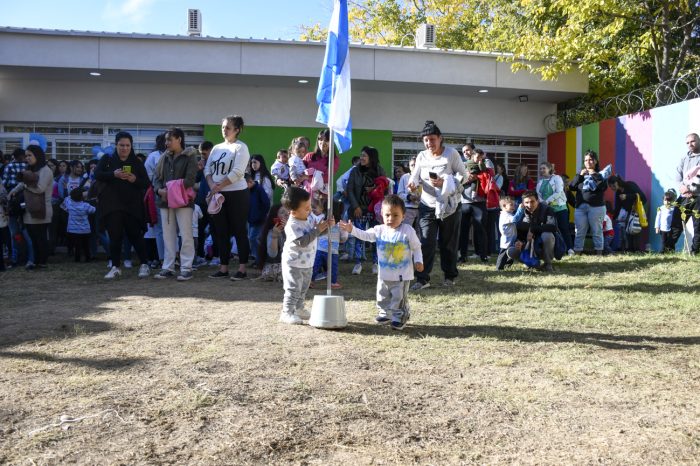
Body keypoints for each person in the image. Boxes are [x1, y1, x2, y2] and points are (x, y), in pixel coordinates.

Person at [339, 195, 424, 330]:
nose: (391, 218)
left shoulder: (408, 231)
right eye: (387, 215)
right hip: (384, 273)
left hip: (401, 275)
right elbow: (365, 235)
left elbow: (416, 247)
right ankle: (385, 313)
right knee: (382, 295)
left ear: (403, 215)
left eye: (395, 215)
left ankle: (399, 316)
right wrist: (352, 230)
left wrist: (418, 261)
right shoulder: (379, 230)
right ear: (381, 215)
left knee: (398, 297)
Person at [407, 120, 468, 289]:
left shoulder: (451, 154)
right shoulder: (421, 156)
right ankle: (422, 278)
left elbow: (464, 176)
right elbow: (415, 176)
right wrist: (412, 184)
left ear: (440, 138)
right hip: (427, 205)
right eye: (426, 140)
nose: (429, 143)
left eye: (432, 139)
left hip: (449, 206)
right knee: (426, 242)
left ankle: (449, 276)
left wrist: (445, 183)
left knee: (448, 243)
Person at [95, 131, 151, 279]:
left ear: (131, 146)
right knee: (115, 237)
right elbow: (97, 174)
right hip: (112, 205)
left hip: (132, 205)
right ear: (116, 145)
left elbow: (146, 182)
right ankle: (115, 266)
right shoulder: (108, 159)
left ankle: (144, 264)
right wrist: (113, 174)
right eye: (121, 145)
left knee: (135, 235)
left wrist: (134, 180)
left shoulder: (136, 162)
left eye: (127, 145)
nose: (124, 148)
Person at [205, 115, 251, 280]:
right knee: (220, 232)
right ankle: (223, 268)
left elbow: (238, 172)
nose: (224, 130)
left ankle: (242, 269)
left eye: (228, 127)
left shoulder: (241, 147)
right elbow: (207, 169)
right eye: (223, 127)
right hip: (218, 193)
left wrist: (218, 186)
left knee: (239, 231)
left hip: (238, 194)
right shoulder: (217, 148)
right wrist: (213, 186)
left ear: (237, 130)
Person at [279, 187, 331, 325]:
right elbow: (303, 241)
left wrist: (327, 227)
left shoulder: (310, 217)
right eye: (306, 208)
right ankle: (287, 312)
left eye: (310, 206)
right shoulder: (292, 225)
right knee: (293, 288)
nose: (310, 210)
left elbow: (317, 233)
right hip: (293, 263)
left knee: (304, 287)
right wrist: (317, 230)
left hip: (307, 262)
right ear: (293, 211)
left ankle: (299, 308)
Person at [152, 127, 198, 281]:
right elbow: (156, 178)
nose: (166, 143)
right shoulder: (164, 157)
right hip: (165, 202)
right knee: (168, 236)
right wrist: (159, 191)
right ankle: (168, 267)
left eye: (169, 139)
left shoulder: (191, 156)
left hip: (184, 202)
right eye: (166, 140)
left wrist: (169, 190)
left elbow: (190, 180)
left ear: (179, 139)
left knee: (186, 235)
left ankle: (186, 268)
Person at [9, 145, 53, 269]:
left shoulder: (45, 170)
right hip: (29, 209)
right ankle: (35, 261)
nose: (27, 158)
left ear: (37, 156)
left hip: (41, 210)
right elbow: (22, 183)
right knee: (33, 238)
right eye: (26, 155)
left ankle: (42, 263)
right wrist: (13, 191)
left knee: (40, 238)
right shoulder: (30, 169)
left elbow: (39, 189)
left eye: (29, 155)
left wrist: (25, 187)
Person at [346, 146, 387, 275]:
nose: (361, 158)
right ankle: (358, 263)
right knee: (359, 235)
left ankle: (375, 263)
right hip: (359, 209)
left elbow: (385, 188)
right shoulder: (355, 171)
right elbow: (350, 190)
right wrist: (356, 206)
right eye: (361, 155)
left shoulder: (380, 170)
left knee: (376, 236)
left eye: (364, 156)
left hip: (376, 209)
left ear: (371, 158)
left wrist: (374, 190)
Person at [506, 190, 558, 272]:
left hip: (543, 247)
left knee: (547, 235)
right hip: (527, 246)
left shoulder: (547, 210)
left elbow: (552, 227)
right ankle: (532, 263)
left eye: (532, 201)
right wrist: (519, 242)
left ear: (538, 201)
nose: (529, 205)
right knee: (511, 251)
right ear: (523, 203)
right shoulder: (520, 213)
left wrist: (532, 229)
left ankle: (548, 263)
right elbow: (517, 229)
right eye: (526, 202)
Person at [569, 150, 607, 255]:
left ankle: (599, 253)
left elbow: (603, 187)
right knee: (579, 231)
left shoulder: (600, 175)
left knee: (597, 231)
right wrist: (580, 176)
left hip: (596, 207)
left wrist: (593, 174)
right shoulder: (581, 174)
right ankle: (577, 252)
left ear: (595, 161)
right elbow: (572, 187)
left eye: (590, 159)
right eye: (586, 160)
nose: (588, 162)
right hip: (580, 207)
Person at [2, 148, 33, 267]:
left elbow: (4, 184)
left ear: (14, 156)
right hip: (27, 202)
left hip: (13, 203)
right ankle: (30, 258)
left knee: (15, 234)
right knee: (27, 233)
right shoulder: (29, 166)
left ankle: (17, 258)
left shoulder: (9, 167)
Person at [459, 147, 491, 262]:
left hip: (479, 202)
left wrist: (477, 176)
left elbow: (489, 176)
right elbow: (457, 181)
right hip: (465, 202)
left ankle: (483, 256)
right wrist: (467, 179)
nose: (465, 153)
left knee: (481, 230)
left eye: (467, 150)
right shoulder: (462, 164)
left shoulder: (485, 162)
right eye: (463, 152)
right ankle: (462, 256)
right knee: (463, 231)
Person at [536, 161, 573, 255]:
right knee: (550, 229)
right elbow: (539, 195)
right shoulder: (540, 182)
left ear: (549, 169)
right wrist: (543, 203)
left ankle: (569, 249)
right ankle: (556, 249)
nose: (542, 170)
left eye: (544, 168)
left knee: (564, 228)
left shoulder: (557, 178)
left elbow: (559, 192)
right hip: (548, 210)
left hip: (560, 208)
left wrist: (547, 201)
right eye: (540, 168)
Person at [311, 200, 347, 289]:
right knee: (333, 267)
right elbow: (344, 237)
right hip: (333, 250)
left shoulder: (322, 219)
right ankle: (333, 282)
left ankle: (310, 281)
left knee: (315, 265)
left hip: (320, 248)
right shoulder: (340, 223)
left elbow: (316, 230)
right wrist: (341, 240)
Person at [607, 174, 648, 252]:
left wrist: (627, 196)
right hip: (630, 210)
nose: (612, 187)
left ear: (617, 182)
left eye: (613, 185)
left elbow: (640, 196)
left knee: (635, 227)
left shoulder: (629, 185)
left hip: (641, 206)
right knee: (628, 228)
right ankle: (630, 249)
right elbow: (618, 207)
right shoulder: (618, 193)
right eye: (610, 186)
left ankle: (637, 249)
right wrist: (613, 219)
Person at [674, 133, 700, 254]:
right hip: (684, 197)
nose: (690, 144)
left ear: (698, 141)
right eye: (687, 143)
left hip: (698, 198)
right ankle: (667, 250)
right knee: (675, 223)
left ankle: (695, 252)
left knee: (698, 227)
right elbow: (678, 174)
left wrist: (691, 189)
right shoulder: (684, 158)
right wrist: (681, 187)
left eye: (692, 141)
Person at [144, 133, 167, 266]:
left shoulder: (176, 155)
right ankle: (162, 258)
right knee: (160, 230)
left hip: (175, 196)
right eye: (166, 140)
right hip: (159, 194)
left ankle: (174, 258)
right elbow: (149, 177)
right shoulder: (153, 157)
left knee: (174, 229)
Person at [303, 129, 340, 198]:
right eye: (320, 139)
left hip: (321, 196)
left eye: (326, 140)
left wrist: (307, 177)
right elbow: (300, 171)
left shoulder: (334, 159)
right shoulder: (309, 156)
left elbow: (327, 178)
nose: (322, 142)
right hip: (306, 194)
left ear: (331, 142)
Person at [61, 187, 95, 262]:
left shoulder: (70, 205)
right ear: (82, 197)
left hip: (74, 230)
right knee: (86, 245)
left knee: (77, 246)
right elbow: (93, 210)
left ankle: (77, 259)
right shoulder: (85, 205)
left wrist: (72, 194)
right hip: (85, 230)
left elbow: (66, 199)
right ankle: (88, 258)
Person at [194, 141, 214, 266]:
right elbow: (193, 181)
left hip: (214, 201)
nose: (203, 157)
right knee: (199, 230)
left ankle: (217, 256)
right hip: (201, 202)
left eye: (205, 154)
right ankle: (200, 255)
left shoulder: (217, 163)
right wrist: (198, 170)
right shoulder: (199, 165)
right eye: (201, 154)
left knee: (216, 230)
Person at [256, 204, 288, 282]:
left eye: (289, 211)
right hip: (276, 265)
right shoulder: (271, 232)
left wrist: (289, 230)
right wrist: (274, 236)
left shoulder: (293, 230)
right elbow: (272, 254)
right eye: (282, 212)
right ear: (275, 217)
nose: (287, 214)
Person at [246, 173, 271, 266]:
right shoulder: (248, 190)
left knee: (253, 238)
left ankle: (260, 259)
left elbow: (266, 204)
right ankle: (258, 259)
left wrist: (261, 216)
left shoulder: (259, 189)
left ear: (250, 182)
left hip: (259, 219)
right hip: (251, 219)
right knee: (252, 239)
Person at [495, 195, 523, 270]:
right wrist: (520, 209)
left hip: (512, 238)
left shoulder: (508, 214)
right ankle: (499, 267)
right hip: (507, 239)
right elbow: (515, 218)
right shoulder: (505, 215)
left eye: (514, 205)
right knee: (503, 254)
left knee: (511, 254)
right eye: (511, 205)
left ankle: (507, 265)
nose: (514, 206)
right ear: (504, 206)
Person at [397, 156, 419, 229]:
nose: (414, 167)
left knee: (420, 233)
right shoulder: (404, 177)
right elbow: (399, 194)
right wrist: (409, 197)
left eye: (416, 164)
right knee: (407, 230)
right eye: (412, 165)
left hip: (421, 209)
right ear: (409, 167)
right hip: (408, 208)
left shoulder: (424, 177)